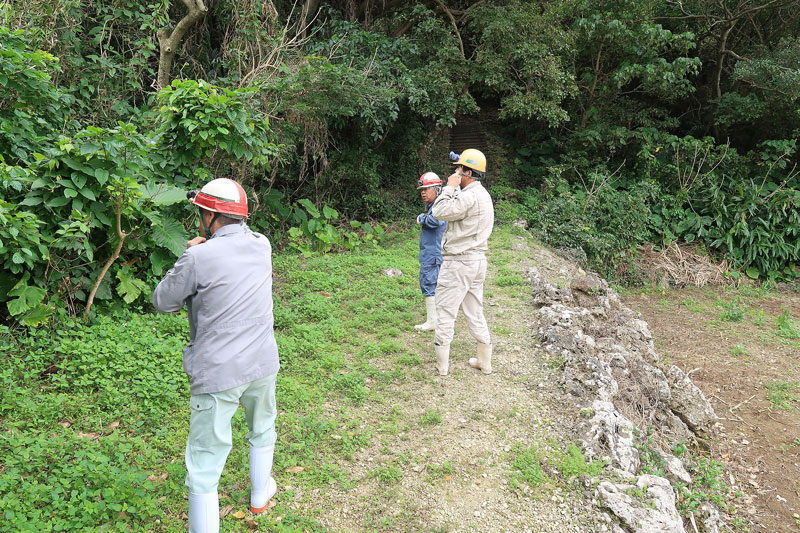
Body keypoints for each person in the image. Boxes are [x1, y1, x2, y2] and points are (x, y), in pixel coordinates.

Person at [152, 178, 280, 533]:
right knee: (262, 427)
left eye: (200, 214)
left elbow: (163, 301)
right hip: (263, 361)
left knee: (205, 463)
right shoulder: (262, 244)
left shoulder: (198, 256)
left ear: (211, 215)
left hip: (218, 370)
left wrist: (185, 255)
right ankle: (259, 496)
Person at [430, 149, 495, 376]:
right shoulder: (484, 195)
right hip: (478, 260)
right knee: (475, 311)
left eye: (459, 168)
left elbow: (438, 210)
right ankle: (484, 362)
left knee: (445, 311)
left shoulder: (468, 196)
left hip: (459, 262)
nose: (455, 171)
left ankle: (442, 365)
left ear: (468, 171)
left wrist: (449, 186)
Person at [414, 172, 447, 331]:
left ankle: (433, 321)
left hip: (432, 253)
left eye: (427, 189)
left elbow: (437, 221)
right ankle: (438, 319)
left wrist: (422, 218)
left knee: (428, 282)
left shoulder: (439, 205)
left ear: (437, 189)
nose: (423, 192)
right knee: (436, 285)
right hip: (434, 252)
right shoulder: (438, 204)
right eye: (422, 189)